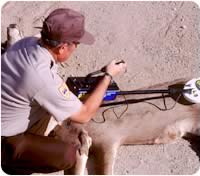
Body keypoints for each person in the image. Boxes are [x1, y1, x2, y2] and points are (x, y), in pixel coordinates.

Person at [1, 8, 127, 174]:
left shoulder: (27, 43)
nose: (76, 47)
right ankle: (12, 164)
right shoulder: (42, 78)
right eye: (76, 43)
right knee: (67, 156)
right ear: (61, 48)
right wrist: (108, 76)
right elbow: (84, 115)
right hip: (5, 137)